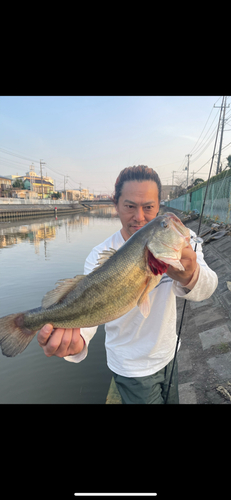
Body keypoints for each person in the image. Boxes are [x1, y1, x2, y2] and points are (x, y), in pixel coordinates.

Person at [37, 165, 218, 404]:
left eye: (149, 207)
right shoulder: (99, 254)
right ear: (116, 204)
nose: (139, 217)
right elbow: (88, 310)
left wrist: (190, 274)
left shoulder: (178, 241)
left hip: (169, 355)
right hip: (130, 367)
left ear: (159, 205)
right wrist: (76, 342)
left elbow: (209, 286)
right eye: (130, 206)